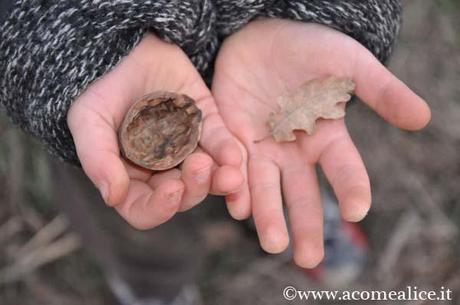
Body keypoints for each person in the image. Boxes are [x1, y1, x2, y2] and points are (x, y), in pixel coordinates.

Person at [0, 1, 431, 304]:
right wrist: (68, 43)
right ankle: (154, 285)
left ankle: (287, 218)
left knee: (270, 159)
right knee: (135, 211)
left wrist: (323, 10)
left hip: (269, 61)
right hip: (107, 71)